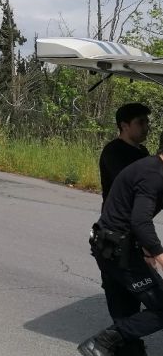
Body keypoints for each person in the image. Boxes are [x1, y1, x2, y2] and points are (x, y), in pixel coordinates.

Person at [79, 152, 163, 356]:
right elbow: (140, 221)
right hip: (118, 252)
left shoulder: (151, 168)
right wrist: (159, 254)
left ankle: (117, 346)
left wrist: (144, 247)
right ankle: (102, 342)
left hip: (112, 247)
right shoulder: (153, 175)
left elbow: (126, 213)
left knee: (126, 313)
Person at [100, 103, 151, 200]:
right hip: (117, 214)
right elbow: (128, 183)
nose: (146, 127)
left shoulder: (143, 151)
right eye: (140, 122)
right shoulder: (113, 151)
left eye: (147, 122)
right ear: (124, 126)